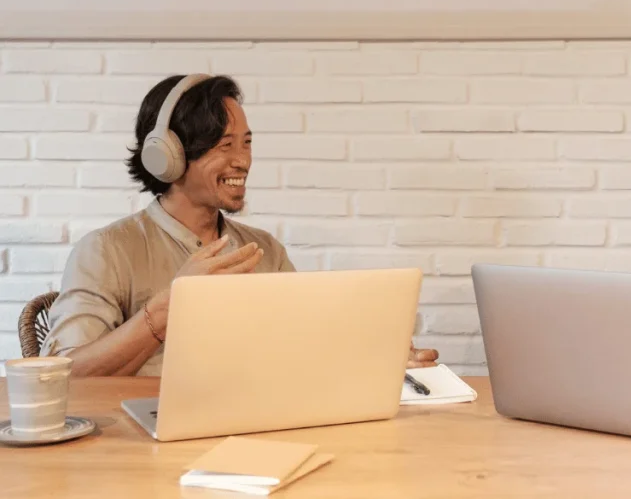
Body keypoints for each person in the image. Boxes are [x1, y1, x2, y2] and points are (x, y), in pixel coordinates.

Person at [42, 74, 438, 376]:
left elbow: (306, 346)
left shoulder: (264, 250)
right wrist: (165, 312)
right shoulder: (108, 250)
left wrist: (378, 357)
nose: (242, 161)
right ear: (169, 157)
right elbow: (62, 374)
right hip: (143, 444)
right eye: (224, 146)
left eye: (246, 143)